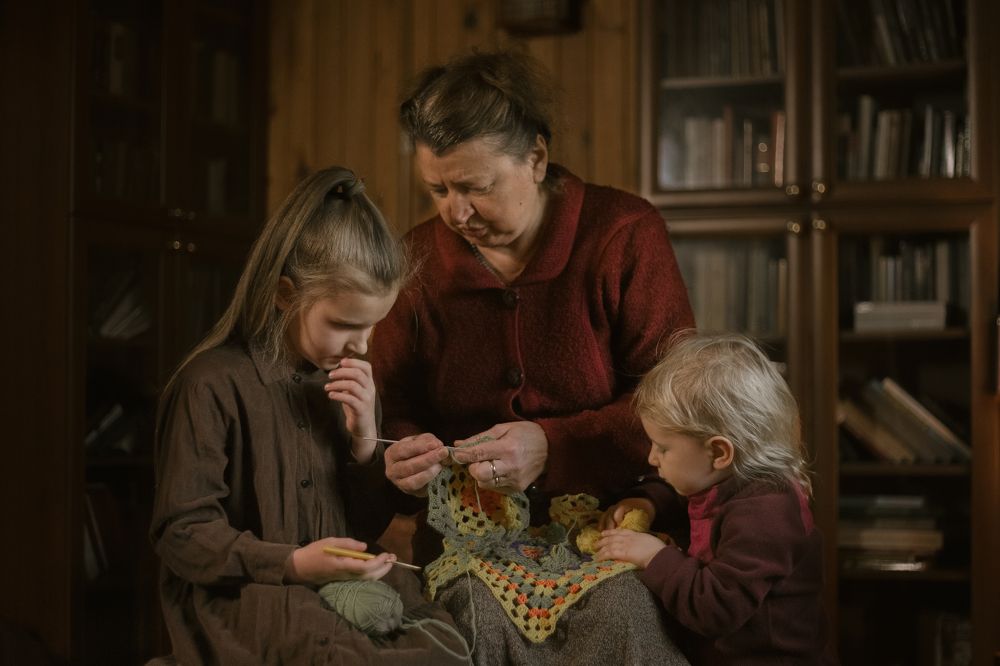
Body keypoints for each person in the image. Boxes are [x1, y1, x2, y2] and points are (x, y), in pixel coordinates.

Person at [369, 49, 694, 664]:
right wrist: (404, 456)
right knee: (471, 623)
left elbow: (677, 410)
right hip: (472, 540)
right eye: (436, 189)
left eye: (475, 187)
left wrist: (553, 446)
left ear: (536, 160)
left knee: (623, 614)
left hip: (617, 523)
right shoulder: (414, 264)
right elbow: (394, 411)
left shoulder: (624, 234)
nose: (454, 213)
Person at [149, 166, 468, 665]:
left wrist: (365, 442)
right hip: (247, 597)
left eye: (373, 326)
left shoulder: (348, 385)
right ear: (284, 294)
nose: (362, 346)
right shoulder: (209, 385)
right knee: (340, 654)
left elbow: (363, 524)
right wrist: (294, 564)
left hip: (333, 591)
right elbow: (182, 535)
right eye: (344, 324)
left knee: (442, 643)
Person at [596, 332, 835, 664]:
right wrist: (648, 503)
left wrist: (655, 557)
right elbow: (687, 497)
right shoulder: (727, 479)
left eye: (663, 448)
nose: (652, 458)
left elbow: (717, 608)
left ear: (719, 452)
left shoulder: (766, 515)